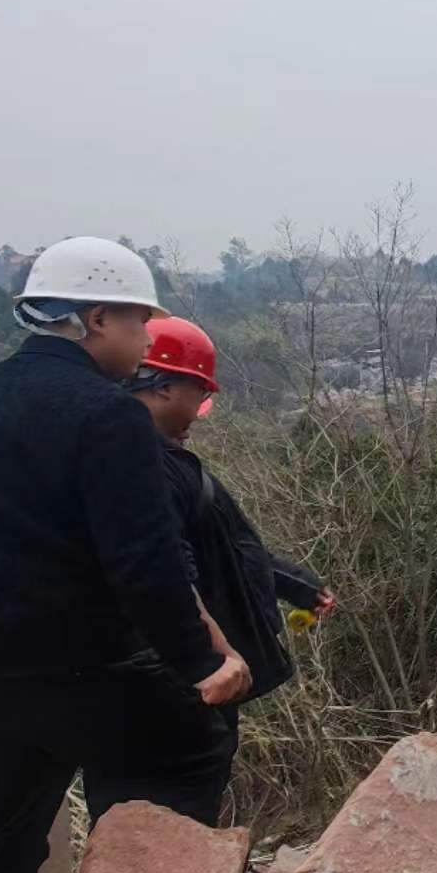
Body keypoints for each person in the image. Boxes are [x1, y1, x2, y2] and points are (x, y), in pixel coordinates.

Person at [0, 237, 250, 873]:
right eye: (137, 323)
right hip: (84, 670)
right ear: (95, 319)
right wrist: (205, 664)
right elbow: (144, 564)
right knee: (181, 764)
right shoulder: (107, 415)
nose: (144, 340)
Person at [127, 316, 337, 754]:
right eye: (200, 393)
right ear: (163, 386)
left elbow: (227, 547)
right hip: (181, 681)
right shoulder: (145, 469)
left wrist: (296, 585)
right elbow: (164, 574)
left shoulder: (169, 463)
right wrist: (210, 660)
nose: (199, 410)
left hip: (188, 674)